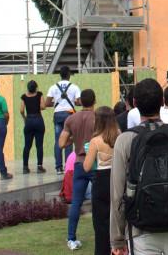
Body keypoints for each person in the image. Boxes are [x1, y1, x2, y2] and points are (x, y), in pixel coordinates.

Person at [110, 78, 168, 255]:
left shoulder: (125, 141)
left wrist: (117, 238)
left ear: (135, 103)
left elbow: (117, 196)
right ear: (162, 102)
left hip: (141, 229)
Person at [59, 88, 96, 250]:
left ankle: (71, 238)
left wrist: (75, 139)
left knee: (76, 203)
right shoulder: (99, 118)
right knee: (100, 202)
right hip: (95, 163)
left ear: (80, 101)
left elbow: (61, 144)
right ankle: (103, 235)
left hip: (79, 164)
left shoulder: (71, 119)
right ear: (94, 101)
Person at [83, 106, 119, 255]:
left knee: (101, 223)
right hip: (117, 178)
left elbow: (86, 167)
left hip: (102, 181)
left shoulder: (95, 141)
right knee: (117, 220)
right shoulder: (119, 135)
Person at [46, 66, 81, 175]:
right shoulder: (74, 87)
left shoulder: (53, 87)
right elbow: (78, 102)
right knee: (69, 140)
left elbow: (47, 103)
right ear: (69, 74)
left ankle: (58, 168)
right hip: (69, 115)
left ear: (60, 75)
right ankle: (68, 166)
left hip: (57, 115)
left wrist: (57, 103)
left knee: (58, 141)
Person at [20, 80, 46, 174]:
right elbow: (43, 106)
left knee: (27, 145)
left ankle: (25, 167)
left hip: (29, 120)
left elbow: (21, 110)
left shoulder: (24, 96)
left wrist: (24, 118)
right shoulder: (39, 94)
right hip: (38, 120)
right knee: (39, 145)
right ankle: (39, 167)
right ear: (36, 88)